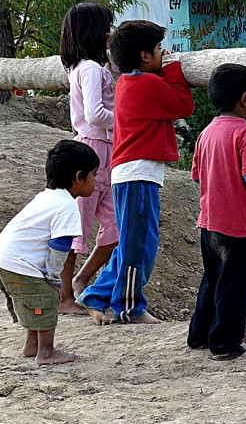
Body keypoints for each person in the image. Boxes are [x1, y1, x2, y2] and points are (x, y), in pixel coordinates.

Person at [75, 20, 194, 325]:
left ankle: (96, 295)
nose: (162, 53)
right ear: (144, 56)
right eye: (158, 50)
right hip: (138, 174)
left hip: (132, 173)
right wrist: (173, 68)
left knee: (132, 242)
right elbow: (184, 105)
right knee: (139, 245)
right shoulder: (146, 84)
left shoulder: (128, 83)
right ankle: (129, 307)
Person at [186, 63, 246, 360]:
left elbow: (196, 175)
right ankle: (225, 344)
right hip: (238, 225)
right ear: (245, 99)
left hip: (209, 222)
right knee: (236, 285)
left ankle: (199, 335)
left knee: (212, 279)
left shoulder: (206, 132)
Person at [0, 140, 99, 365]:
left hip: (4, 261)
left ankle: (32, 345)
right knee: (46, 299)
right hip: (19, 264)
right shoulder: (67, 206)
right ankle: (46, 352)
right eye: (94, 175)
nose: (96, 182)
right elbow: (59, 247)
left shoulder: (47, 196)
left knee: (34, 300)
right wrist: (54, 279)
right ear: (79, 177)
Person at [58, 1, 119, 315]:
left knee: (115, 228)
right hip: (92, 151)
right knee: (76, 229)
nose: (111, 33)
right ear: (95, 32)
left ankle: (81, 281)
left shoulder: (92, 67)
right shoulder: (91, 70)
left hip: (104, 153)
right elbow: (95, 114)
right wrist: (125, 118)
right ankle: (65, 296)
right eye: (107, 27)